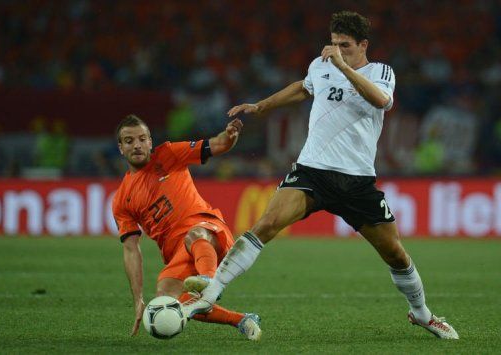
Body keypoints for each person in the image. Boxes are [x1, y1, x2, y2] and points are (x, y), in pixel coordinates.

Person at [183, 11, 459, 340]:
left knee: (395, 254)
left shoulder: (380, 72)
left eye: (346, 46)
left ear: (363, 44)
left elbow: (382, 101)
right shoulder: (321, 65)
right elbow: (303, 88)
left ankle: (422, 313)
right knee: (266, 225)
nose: (338, 50)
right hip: (312, 171)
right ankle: (210, 295)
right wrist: (262, 106)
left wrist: (343, 67)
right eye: (335, 44)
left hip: (356, 180)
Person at [112, 114, 261, 340]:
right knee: (168, 302)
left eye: (142, 139)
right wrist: (138, 300)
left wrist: (229, 136)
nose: (137, 145)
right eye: (129, 141)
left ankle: (209, 281)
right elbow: (131, 250)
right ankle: (242, 320)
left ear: (150, 142)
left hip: (208, 230)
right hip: (178, 254)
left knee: (195, 234)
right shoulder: (122, 199)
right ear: (121, 148)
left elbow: (218, 144)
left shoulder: (169, 154)